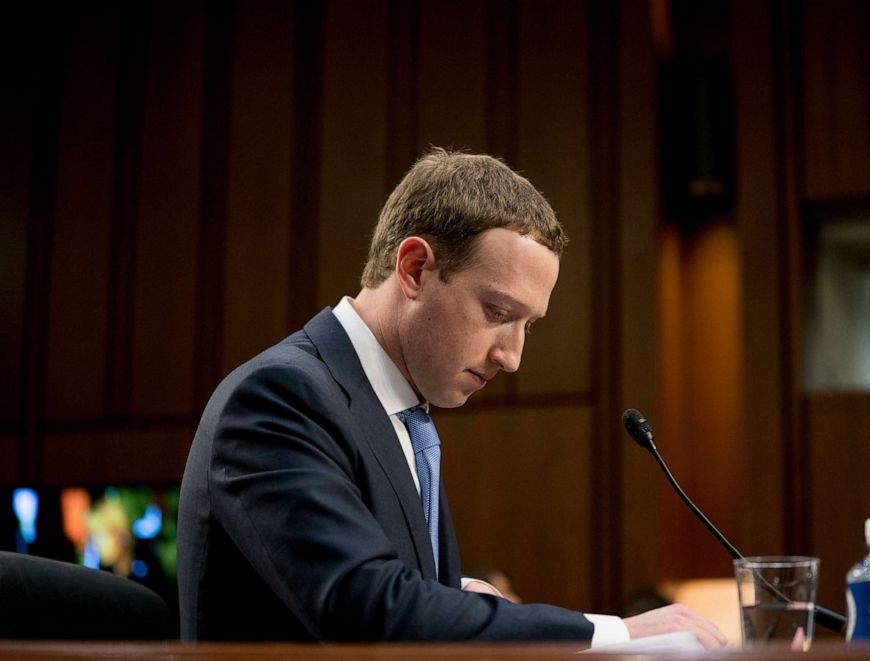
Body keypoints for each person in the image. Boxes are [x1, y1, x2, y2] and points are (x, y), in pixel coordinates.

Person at [177, 148, 727, 648]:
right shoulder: (280, 397)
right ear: (415, 268)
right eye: (498, 313)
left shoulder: (402, 414)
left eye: (527, 326)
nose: (511, 357)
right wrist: (613, 633)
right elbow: (370, 610)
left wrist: (458, 594)